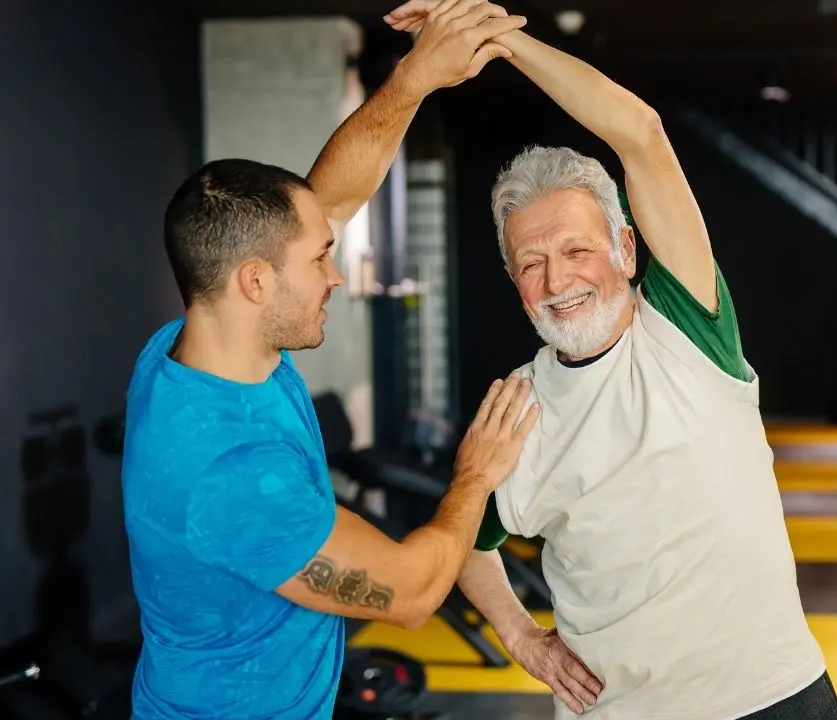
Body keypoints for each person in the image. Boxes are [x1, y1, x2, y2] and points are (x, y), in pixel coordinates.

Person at [382, 5, 837, 719]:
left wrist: (503, 40)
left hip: (773, 696)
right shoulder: (518, 407)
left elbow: (641, 134)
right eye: (531, 263)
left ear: (626, 249)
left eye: (576, 250)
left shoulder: (684, 325)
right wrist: (520, 636)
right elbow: (462, 539)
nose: (557, 281)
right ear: (512, 280)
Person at [120, 4, 533, 719]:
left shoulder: (187, 347)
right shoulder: (233, 475)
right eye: (320, 260)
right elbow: (409, 592)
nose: (336, 276)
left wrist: (415, 77)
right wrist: (476, 474)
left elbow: (331, 198)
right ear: (255, 281)